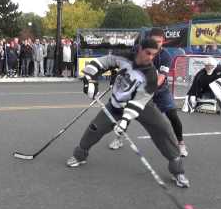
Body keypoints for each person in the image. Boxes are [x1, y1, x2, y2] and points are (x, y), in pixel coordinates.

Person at [66, 37, 190, 188]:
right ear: (139, 49)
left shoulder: (151, 75)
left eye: (154, 55)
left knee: (163, 129)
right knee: (95, 128)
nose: (151, 58)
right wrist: (89, 79)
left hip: (142, 106)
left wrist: (124, 121)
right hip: (116, 103)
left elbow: (139, 100)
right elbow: (102, 62)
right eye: (148, 53)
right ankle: (80, 155)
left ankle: (177, 170)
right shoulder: (124, 56)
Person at [108, 28, 188, 157]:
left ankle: (180, 144)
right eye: (153, 41)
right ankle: (119, 138)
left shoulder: (165, 56)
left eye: (159, 41)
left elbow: (162, 77)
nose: (156, 44)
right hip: (139, 89)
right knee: (127, 112)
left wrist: (150, 88)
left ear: (163, 41)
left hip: (159, 90)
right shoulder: (138, 50)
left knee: (172, 115)